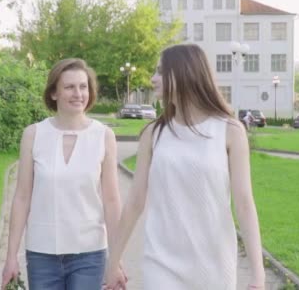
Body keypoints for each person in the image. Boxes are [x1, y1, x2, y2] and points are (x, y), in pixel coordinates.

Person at [104, 44, 266, 290]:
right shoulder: (153, 133)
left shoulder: (230, 131)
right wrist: (113, 263)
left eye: (160, 71)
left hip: (213, 264)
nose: (152, 79)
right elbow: (135, 202)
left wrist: (258, 274)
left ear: (183, 73)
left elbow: (244, 204)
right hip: (161, 262)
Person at [1, 58, 123, 290]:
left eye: (83, 86)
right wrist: (10, 257)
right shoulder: (33, 134)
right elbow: (22, 197)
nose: (78, 93)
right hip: (42, 254)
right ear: (54, 93)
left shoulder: (103, 136)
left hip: (90, 254)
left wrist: (116, 260)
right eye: (69, 87)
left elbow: (112, 200)